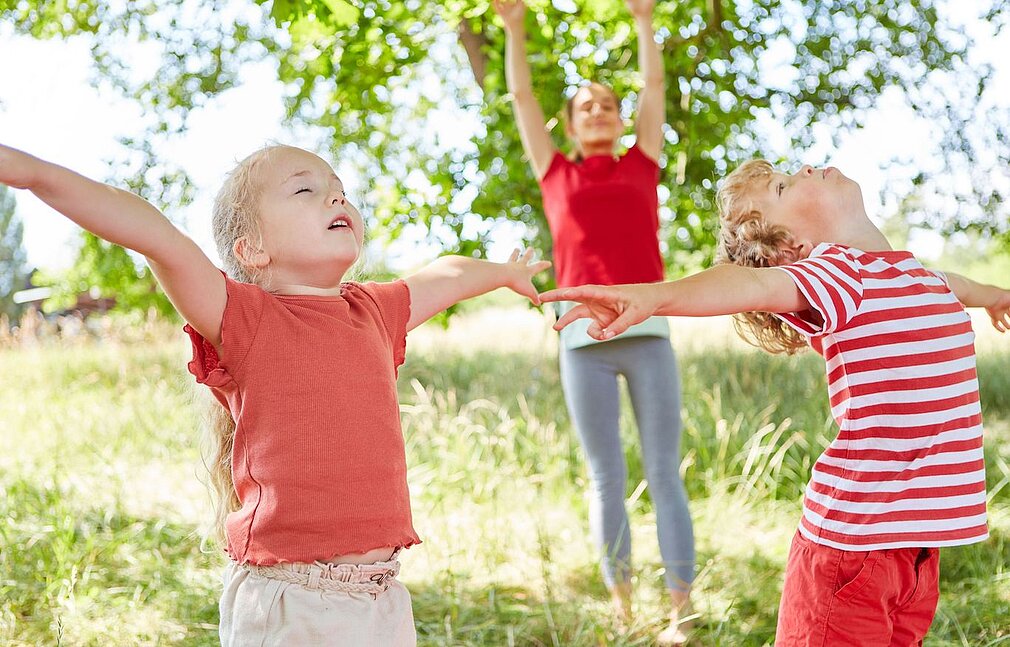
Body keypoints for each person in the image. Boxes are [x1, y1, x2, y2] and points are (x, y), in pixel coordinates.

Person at [0, 142, 550, 646]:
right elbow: (153, 235)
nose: (336, 195)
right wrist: (33, 174)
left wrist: (504, 272)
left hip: (384, 599)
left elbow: (448, 273)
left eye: (339, 188)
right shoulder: (247, 318)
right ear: (253, 248)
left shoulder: (375, 311)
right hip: (293, 603)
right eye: (305, 189)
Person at [541, 159, 1010, 646]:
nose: (807, 166)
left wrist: (999, 297)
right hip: (850, 554)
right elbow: (750, 286)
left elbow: (966, 288)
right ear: (795, 248)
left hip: (915, 556)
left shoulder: (922, 277)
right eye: (785, 186)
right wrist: (656, 297)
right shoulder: (840, 276)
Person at [491, 0, 695, 641]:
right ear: (571, 126)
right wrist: (515, 28)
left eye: (609, 104)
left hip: (648, 336)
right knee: (606, 477)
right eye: (587, 107)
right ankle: (625, 606)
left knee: (665, 472)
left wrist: (643, 22)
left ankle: (681, 606)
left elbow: (655, 86)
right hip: (582, 342)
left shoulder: (643, 163)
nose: (600, 112)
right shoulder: (555, 174)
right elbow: (520, 94)